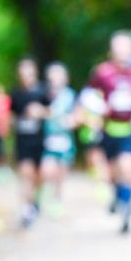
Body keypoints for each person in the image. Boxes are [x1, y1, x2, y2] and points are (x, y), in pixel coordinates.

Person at [87, 30, 131, 234]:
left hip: (128, 130)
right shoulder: (102, 72)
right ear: (111, 50)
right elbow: (89, 96)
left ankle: (127, 208)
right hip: (107, 130)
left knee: (127, 168)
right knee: (112, 173)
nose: (122, 51)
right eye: (119, 47)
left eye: (126, 47)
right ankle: (119, 197)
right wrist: (99, 109)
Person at [10, 58, 50, 228]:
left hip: (40, 141)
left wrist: (40, 112)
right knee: (25, 174)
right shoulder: (15, 94)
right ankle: (26, 210)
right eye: (22, 73)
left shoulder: (43, 91)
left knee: (38, 176)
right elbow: (11, 115)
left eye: (28, 73)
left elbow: (52, 112)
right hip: (22, 141)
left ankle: (35, 200)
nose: (25, 76)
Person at [41, 62, 78, 216]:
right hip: (47, 139)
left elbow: (78, 115)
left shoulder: (70, 95)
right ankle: (44, 194)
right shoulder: (44, 94)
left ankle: (57, 199)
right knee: (47, 169)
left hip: (64, 140)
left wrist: (72, 121)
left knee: (61, 172)